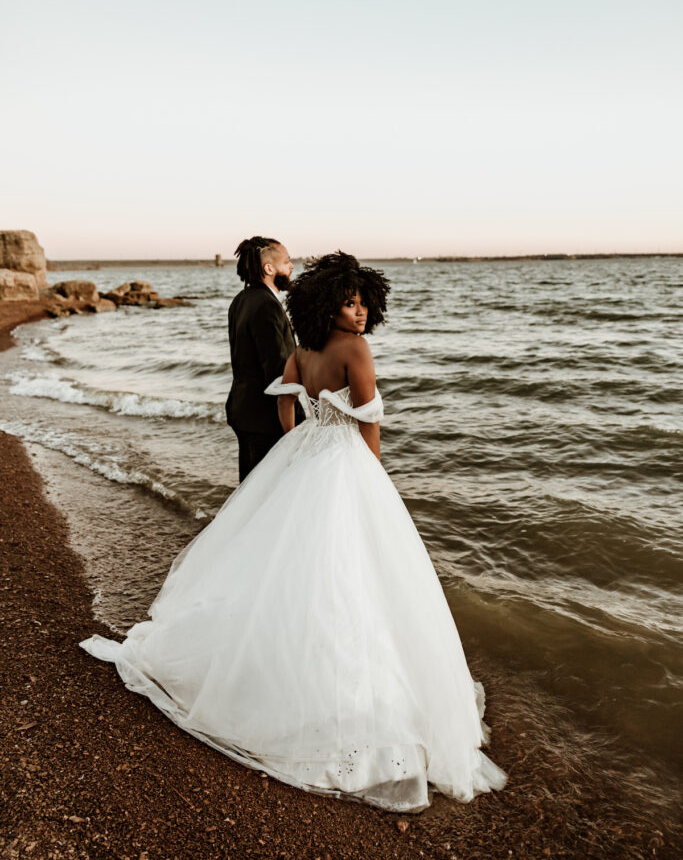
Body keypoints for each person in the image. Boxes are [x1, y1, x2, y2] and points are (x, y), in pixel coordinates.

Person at [80, 251, 506, 812]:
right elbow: (370, 422)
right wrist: (373, 478)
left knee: (293, 568)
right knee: (351, 576)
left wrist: (296, 439)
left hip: (306, 454)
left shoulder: (303, 351)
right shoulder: (355, 350)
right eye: (350, 303)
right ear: (330, 305)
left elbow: (285, 399)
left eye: (363, 305)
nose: (359, 314)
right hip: (345, 460)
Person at [225, 236, 297, 481]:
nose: (291, 266)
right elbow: (277, 370)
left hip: (243, 410)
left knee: (249, 490)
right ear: (269, 268)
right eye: (287, 262)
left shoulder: (239, 301)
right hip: (265, 419)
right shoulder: (267, 305)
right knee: (266, 492)